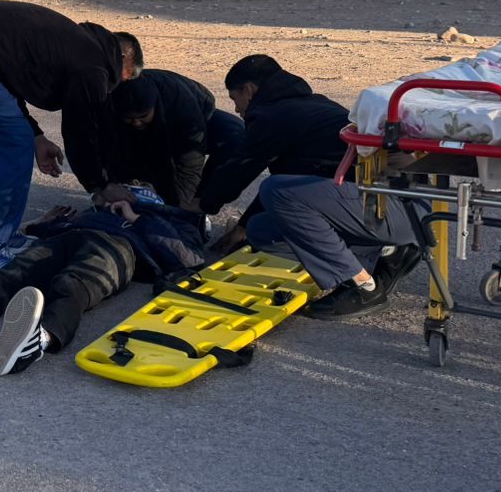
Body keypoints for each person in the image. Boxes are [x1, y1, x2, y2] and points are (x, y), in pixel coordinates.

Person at [0, 184, 211, 375]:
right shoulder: (89, 214)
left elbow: (188, 259)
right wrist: (44, 224)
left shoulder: (159, 218)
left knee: (72, 285)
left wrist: (137, 218)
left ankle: (38, 341)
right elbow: (42, 232)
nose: (109, 201)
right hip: (67, 238)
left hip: (122, 249)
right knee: (7, 276)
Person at [0, 1, 139, 276]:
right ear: (124, 59)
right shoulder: (92, 65)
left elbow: (6, 78)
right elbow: (81, 132)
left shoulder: (72, 44)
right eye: (127, 78)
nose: (120, 87)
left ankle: (1, 235)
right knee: (9, 144)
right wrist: (100, 185)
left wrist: (37, 135)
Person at [196, 55, 351, 249]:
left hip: (342, 201)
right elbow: (288, 180)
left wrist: (202, 205)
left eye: (235, 99)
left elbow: (238, 171)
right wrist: (241, 226)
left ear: (249, 91)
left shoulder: (270, 117)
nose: (236, 109)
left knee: (260, 229)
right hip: (362, 197)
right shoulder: (315, 104)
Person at [246, 174, 425, 319]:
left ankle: (364, 286)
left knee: (276, 189)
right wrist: (242, 224)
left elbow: (247, 162)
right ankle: (386, 251)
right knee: (261, 231)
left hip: (400, 205)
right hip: (380, 200)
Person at [109, 69, 246, 211]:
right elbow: (101, 153)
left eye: (143, 116)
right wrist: (107, 187)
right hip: (136, 133)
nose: (137, 122)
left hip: (193, 118)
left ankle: (199, 204)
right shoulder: (108, 104)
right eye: (130, 118)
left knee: (236, 135)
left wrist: (177, 208)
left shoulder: (183, 108)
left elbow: (190, 165)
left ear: (154, 106)